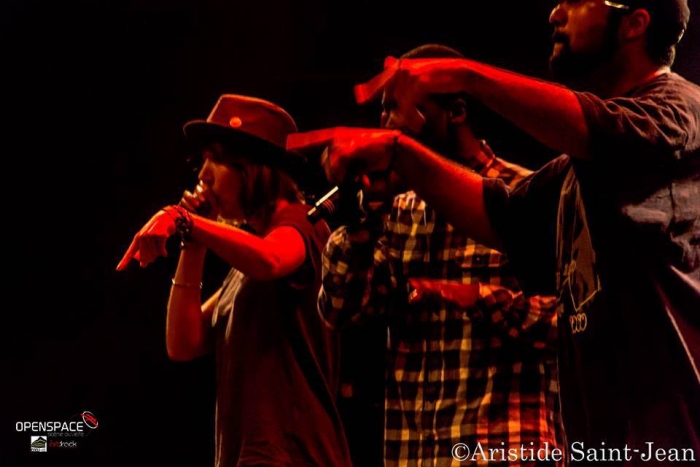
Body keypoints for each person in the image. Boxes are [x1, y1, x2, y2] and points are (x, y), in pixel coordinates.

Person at [289, 0, 700, 465]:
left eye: (576, 0)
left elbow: (605, 130)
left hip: (671, 437)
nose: (555, 12)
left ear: (636, 22)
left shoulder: (681, 110)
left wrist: (466, 75)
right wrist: (395, 150)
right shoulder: (573, 175)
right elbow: (502, 216)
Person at [318, 43, 564, 467]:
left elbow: (577, 322)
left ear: (456, 112)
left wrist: (480, 299)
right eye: (382, 112)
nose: (384, 127)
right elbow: (340, 311)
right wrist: (363, 217)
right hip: (416, 454)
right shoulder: (396, 210)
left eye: (396, 109)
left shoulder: (527, 195)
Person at [116, 94, 353, 467]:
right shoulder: (245, 263)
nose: (203, 175)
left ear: (255, 168)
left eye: (216, 159)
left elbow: (272, 260)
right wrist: (193, 242)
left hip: (293, 455)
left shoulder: (300, 224)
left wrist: (186, 220)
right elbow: (184, 342)